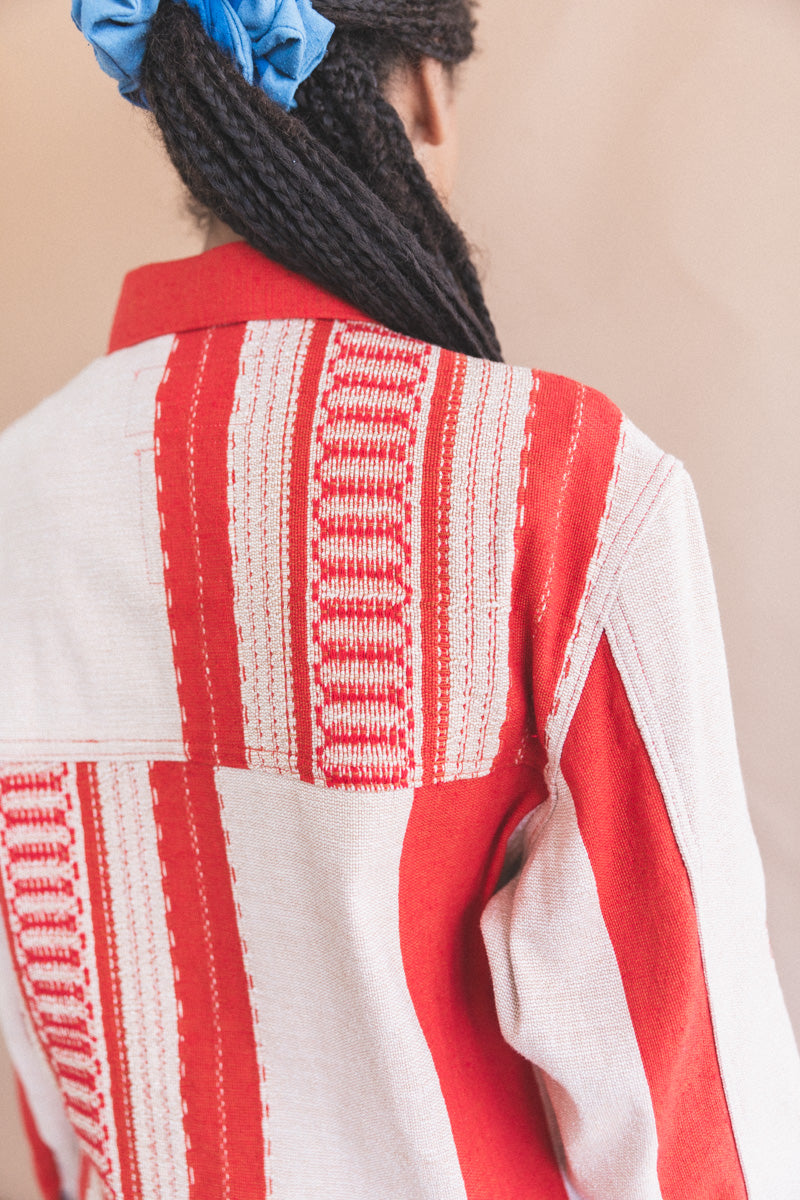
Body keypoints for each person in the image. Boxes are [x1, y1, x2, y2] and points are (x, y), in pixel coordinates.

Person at [0, 1, 798, 1197]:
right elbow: (696, 1129)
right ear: (423, 93)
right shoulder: (554, 484)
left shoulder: (19, 499)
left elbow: (53, 1100)